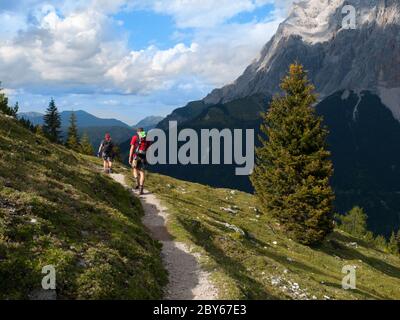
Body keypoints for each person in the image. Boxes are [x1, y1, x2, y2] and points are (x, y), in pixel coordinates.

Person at [129, 128, 151, 195]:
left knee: (134, 169)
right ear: (143, 132)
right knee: (142, 172)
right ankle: (141, 189)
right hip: (143, 157)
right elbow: (149, 149)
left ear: (137, 132)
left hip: (136, 156)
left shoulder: (135, 137)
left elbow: (132, 148)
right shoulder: (148, 138)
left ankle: (137, 183)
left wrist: (130, 157)